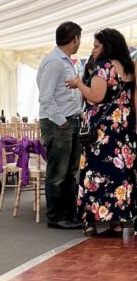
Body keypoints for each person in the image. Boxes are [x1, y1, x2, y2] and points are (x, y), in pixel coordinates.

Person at [65, 27, 136, 236]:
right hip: (123, 130)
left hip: (101, 134)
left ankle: (89, 221)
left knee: (93, 174)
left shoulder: (104, 67)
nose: (94, 50)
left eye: (97, 46)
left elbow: (96, 96)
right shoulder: (128, 67)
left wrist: (78, 83)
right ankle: (115, 220)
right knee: (119, 174)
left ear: (107, 46)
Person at [37, 21, 84, 229]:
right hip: (58, 123)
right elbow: (45, 97)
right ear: (75, 39)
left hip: (69, 120)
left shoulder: (65, 61)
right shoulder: (55, 62)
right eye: (79, 38)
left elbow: (66, 94)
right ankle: (55, 217)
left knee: (70, 171)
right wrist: (62, 121)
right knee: (58, 172)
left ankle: (69, 213)